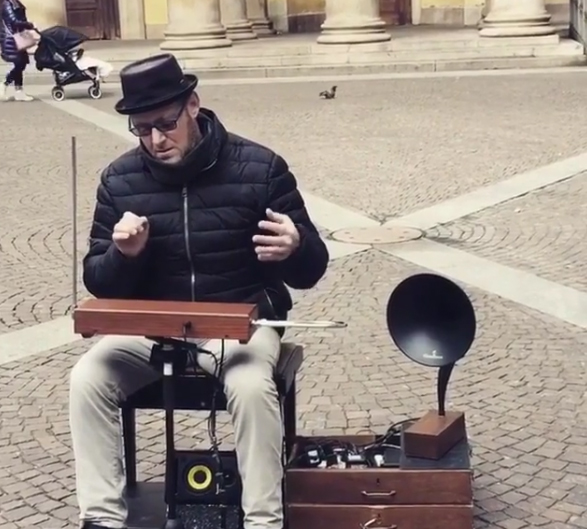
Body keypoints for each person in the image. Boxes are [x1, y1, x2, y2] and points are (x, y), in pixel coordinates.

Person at [69, 54, 329, 529]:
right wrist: (123, 255)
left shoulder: (261, 168)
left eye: (166, 123)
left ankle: (263, 521)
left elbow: (311, 270)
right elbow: (98, 282)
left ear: (193, 105)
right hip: (152, 328)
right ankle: (102, 519)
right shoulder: (119, 180)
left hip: (240, 326)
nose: (155, 139)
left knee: (251, 388)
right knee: (88, 378)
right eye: (142, 129)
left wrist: (295, 246)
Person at [0, 0, 34, 101]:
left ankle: (19, 91)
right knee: (19, 63)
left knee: (21, 63)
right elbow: (13, 21)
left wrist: (27, 25)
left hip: (18, 37)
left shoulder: (14, 2)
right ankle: (4, 83)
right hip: (11, 38)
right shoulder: (7, 3)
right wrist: (29, 25)